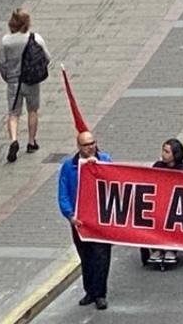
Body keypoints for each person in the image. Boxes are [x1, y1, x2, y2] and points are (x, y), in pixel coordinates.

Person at [58, 130, 112, 310]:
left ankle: (100, 294)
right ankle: (90, 291)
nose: (90, 147)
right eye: (86, 144)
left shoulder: (105, 160)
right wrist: (70, 215)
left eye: (92, 143)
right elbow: (63, 193)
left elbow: (115, 184)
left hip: (101, 220)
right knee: (86, 257)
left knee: (101, 257)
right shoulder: (69, 167)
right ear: (79, 146)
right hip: (80, 222)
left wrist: (100, 169)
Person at [0, 8, 51, 163]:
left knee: (13, 113)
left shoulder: (6, 41)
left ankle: (14, 140)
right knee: (32, 111)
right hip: (31, 81)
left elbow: (2, 64)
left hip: (13, 82)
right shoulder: (35, 38)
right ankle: (31, 141)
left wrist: (7, 77)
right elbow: (47, 57)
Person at [146, 139, 183, 264]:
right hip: (159, 202)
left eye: (167, 152)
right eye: (163, 150)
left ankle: (171, 248)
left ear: (175, 155)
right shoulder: (158, 166)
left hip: (177, 205)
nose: (163, 154)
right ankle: (157, 248)